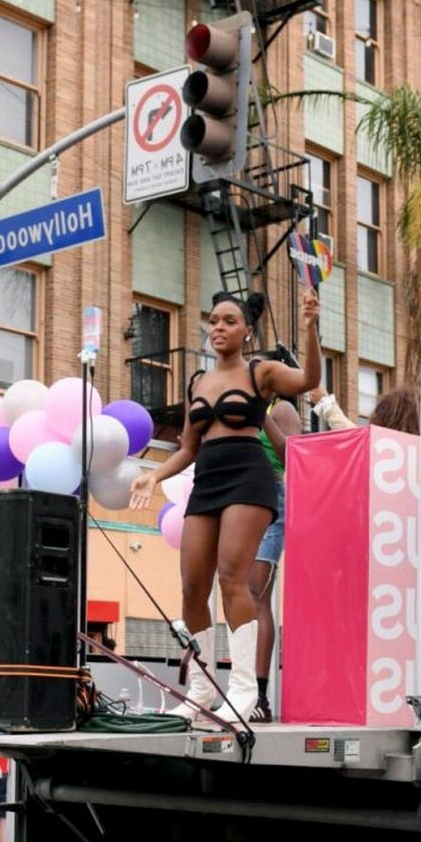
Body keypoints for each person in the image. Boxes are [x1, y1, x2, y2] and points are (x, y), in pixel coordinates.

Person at [130, 287, 322, 727]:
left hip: (248, 478)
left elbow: (308, 380)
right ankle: (200, 692)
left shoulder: (261, 373)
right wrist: (154, 474)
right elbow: (187, 448)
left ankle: (242, 691)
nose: (218, 327)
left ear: (247, 332)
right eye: (213, 320)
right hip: (207, 480)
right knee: (192, 587)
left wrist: (311, 328)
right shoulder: (198, 381)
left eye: (229, 321)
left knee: (233, 579)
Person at [247, 395, 303, 722]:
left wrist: (262, 416)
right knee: (234, 596)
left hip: (271, 497)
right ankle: (239, 690)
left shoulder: (280, 409)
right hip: (240, 497)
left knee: (257, 598)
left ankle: (260, 696)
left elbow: (292, 457)